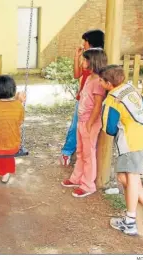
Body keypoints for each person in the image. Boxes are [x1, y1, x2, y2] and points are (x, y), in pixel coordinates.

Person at [98, 64, 143, 236]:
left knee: (131, 180)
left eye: (101, 80)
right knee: (123, 178)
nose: (99, 82)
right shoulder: (130, 88)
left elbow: (109, 128)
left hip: (130, 143)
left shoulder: (111, 100)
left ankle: (130, 221)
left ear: (108, 83)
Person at [61, 48, 107, 198]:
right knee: (80, 151)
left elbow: (98, 105)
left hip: (90, 123)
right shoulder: (89, 78)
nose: (83, 62)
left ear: (93, 61)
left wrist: (90, 123)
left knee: (88, 153)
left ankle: (88, 185)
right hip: (82, 121)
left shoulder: (99, 81)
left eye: (85, 60)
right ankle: (77, 178)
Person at [60, 29, 105, 166]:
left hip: (95, 99)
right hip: (82, 99)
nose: (82, 43)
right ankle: (67, 152)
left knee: (91, 128)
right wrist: (76, 57)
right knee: (76, 127)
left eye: (84, 41)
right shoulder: (86, 58)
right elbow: (76, 74)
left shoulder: (99, 58)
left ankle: (88, 156)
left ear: (90, 42)